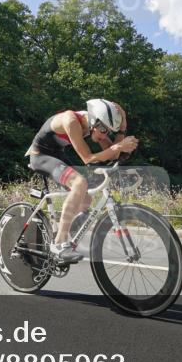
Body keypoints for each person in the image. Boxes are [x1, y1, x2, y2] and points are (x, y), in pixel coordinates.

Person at [25, 99, 139, 263]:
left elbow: (112, 153)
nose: (103, 135)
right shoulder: (71, 120)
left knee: (86, 198)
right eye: (102, 130)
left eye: (108, 132)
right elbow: (88, 158)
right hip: (40, 156)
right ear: (94, 121)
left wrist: (122, 128)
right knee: (79, 183)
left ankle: (64, 231)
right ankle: (59, 244)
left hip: (56, 153)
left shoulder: (97, 126)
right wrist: (118, 147)